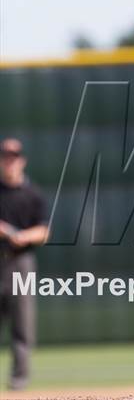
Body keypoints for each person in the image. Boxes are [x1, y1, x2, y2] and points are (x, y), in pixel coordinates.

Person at [0, 138, 49, 391]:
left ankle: (19, 380)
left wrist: (21, 236)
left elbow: (43, 231)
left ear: (22, 161)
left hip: (22, 262)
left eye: (13, 157)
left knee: (22, 323)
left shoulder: (33, 194)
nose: (9, 162)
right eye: (5, 157)